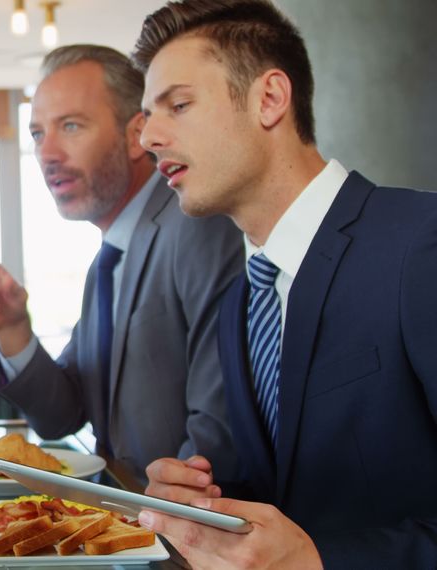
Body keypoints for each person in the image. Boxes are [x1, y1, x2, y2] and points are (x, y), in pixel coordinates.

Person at [132, 1, 437, 567]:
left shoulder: (421, 243)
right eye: (147, 115)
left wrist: (323, 560)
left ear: (269, 98)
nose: (148, 136)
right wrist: (202, 506)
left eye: (178, 104)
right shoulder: (239, 303)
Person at [0, 44, 242, 482]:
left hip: (180, 529)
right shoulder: (107, 262)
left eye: (70, 126)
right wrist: (12, 326)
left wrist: (161, 521)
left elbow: (222, 424)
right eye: (37, 134)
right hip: (128, 522)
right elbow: (61, 415)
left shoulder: (196, 223)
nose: (47, 154)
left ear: (136, 135)